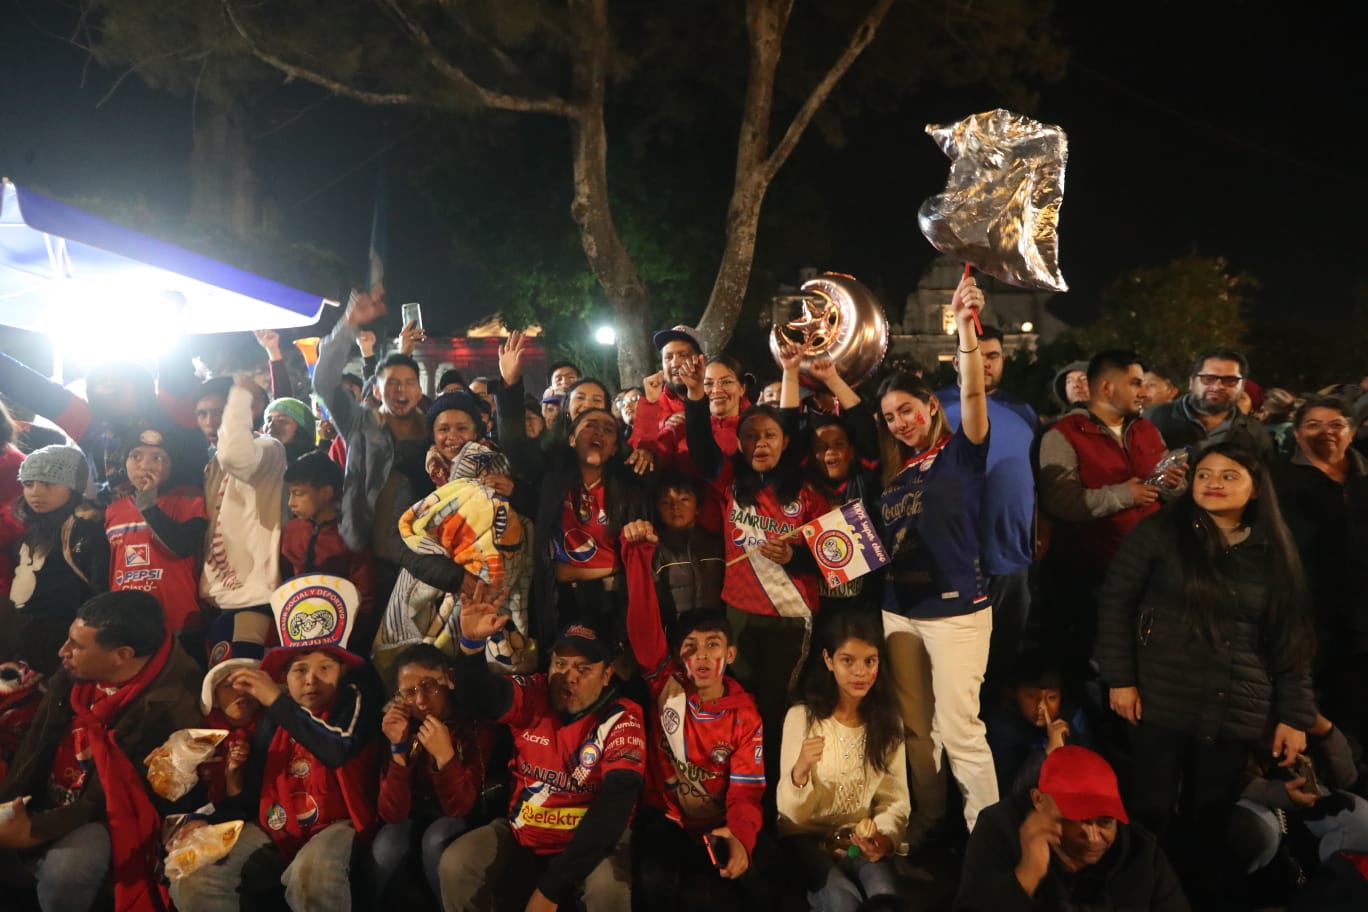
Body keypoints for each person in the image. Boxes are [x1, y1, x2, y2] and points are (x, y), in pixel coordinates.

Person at [1095, 443, 1316, 899]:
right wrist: (1121, 678)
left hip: (1235, 706)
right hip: (1160, 698)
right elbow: (1116, 604)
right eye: (1204, 474)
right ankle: (1139, 897)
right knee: (1149, 809)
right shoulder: (1160, 533)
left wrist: (1294, 715)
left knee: (1209, 819)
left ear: (1256, 489)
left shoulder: (1273, 549)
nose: (1213, 483)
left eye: (1229, 475)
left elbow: (1290, 641)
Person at [168, 575, 383, 912]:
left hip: (338, 825)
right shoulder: (273, 719)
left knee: (313, 875)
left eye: (325, 667)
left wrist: (276, 701)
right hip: (275, 825)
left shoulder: (354, 700)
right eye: (300, 670)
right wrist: (207, 820)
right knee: (194, 872)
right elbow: (252, 797)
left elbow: (338, 749)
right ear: (285, 678)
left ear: (342, 672)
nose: (311, 679)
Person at [875, 273, 997, 837]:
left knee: (961, 728)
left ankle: (986, 840)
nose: (900, 423)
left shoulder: (962, 452)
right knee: (916, 729)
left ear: (929, 405)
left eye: (907, 410)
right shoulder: (895, 477)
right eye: (890, 418)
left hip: (956, 612)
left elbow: (972, 391)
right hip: (900, 609)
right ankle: (931, 820)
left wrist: (965, 329)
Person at [438, 598, 646, 912]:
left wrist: (550, 891)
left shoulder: (622, 716)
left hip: (588, 844)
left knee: (608, 888)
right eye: (560, 664)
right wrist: (470, 647)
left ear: (607, 675)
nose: (569, 676)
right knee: (457, 862)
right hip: (521, 832)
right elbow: (481, 699)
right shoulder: (535, 693)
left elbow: (617, 803)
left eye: (584, 668)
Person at [0, 590, 202, 912]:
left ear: (122, 655)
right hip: (45, 797)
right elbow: (35, 745)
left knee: (68, 870)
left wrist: (33, 831)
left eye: (77, 646)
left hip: (104, 816)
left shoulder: (173, 706)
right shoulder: (78, 672)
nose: (63, 651)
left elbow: (119, 797)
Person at [682, 357, 825, 779]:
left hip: (790, 619)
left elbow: (838, 558)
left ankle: (778, 789)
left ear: (785, 441)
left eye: (769, 435)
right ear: (739, 444)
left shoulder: (809, 493)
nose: (760, 444)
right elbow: (701, 447)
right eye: (750, 437)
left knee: (777, 705)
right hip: (739, 616)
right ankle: (740, 780)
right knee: (741, 702)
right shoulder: (729, 482)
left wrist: (796, 557)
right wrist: (694, 396)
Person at [620, 524, 773, 910]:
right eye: (691, 647)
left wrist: (739, 836)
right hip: (667, 823)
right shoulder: (666, 686)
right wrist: (637, 558)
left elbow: (746, 791)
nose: (702, 655)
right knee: (653, 881)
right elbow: (642, 629)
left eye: (713, 645)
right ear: (677, 657)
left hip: (721, 823)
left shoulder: (745, 717)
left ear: (730, 655)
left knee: (762, 883)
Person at [1035, 350, 1173, 673]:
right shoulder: (1062, 435)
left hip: (1149, 573)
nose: (1145, 392)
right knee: (1094, 668)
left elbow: (1166, 490)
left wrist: (1175, 482)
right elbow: (1061, 501)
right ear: (1107, 388)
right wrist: (1125, 494)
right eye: (1136, 383)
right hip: (1090, 577)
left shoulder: (1146, 431)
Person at [777, 610, 909, 912]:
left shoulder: (888, 723)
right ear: (828, 661)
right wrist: (800, 772)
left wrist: (883, 839)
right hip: (806, 839)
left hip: (856, 841)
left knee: (885, 899)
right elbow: (791, 814)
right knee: (842, 901)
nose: (860, 672)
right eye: (848, 660)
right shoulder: (803, 718)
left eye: (869, 661)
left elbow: (895, 800)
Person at [955, 746, 1189, 911]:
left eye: (1105, 822)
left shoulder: (1141, 852)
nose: (1094, 837)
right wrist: (1026, 876)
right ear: (1039, 800)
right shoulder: (1000, 831)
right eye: (1079, 820)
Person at [937, 324, 1038, 690]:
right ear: (957, 361)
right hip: (960, 562)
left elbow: (1033, 478)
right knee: (959, 671)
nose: (985, 364)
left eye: (993, 356)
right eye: (976, 356)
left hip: (1013, 559)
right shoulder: (935, 407)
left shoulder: (1023, 410)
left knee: (1005, 664)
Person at [1273, 396, 1368, 743]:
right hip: (1307, 612)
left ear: (1352, 432)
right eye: (1313, 424)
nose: (1326, 432)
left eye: (1336, 424)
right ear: (1296, 434)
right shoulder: (1278, 480)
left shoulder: (1364, 476)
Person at [373, 643, 497, 903]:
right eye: (409, 692)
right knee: (387, 843)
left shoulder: (472, 726)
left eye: (429, 686)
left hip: (463, 818)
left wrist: (445, 756)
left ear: (449, 680)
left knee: (437, 838)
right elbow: (392, 813)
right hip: (415, 815)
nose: (420, 700)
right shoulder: (400, 725)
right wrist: (397, 749)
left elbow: (461, 808)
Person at [198, 375, 288, 658]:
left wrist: (240, 396)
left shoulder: (269, 449)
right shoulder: (212, 465)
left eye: (220, 411)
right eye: (202, 413)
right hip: (217, 600)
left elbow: (235, 454)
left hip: (254, 599)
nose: (211, 421)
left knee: (243, 687)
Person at [2, 446, 108, 676]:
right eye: (29, 484)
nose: (35, 493)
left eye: (48, 484)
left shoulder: (84, 528)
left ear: (72, 487)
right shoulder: (30, 526)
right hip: (24, 633)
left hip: (60, 636)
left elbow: (99, 587)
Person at [105, 425, 208, 639]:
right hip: (126, 622)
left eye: (158, 458)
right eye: (136, 456)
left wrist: (148, 506)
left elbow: (181, 546)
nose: (145, 466)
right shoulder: (113, 510)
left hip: (179, 620)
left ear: (173, 466)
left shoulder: (190, 502)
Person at [281, 452, 376, 639]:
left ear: (326, 492)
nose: (291, 503)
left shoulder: (350, 535)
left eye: (298, 493)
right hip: (296, 622)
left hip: (341, 628)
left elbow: (364, 594)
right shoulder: (292, 529)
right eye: (289, 494)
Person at [983, 650, 1095, 800]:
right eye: (1030, 696)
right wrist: (1048, 752)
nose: (1042, 706)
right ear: (1013, 694)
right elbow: (1010, 795)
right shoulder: (1001, 728)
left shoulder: (1073, 719)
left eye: (1051, 697)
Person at [1144, 347, 1273, 460]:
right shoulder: (1152, 418)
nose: (1217, 387)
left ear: (1242, 386)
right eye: (1208, 379)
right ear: (1191, 382)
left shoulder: (1255, 433)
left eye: (1230, 380)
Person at [649, 472, 724, 624]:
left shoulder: (716, 545)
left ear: (698, 507)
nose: (675, 507)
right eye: (665, 501)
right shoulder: (654, 549)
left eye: (684, 500)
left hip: (714, 628)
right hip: (674, 632)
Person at [630, 324, 706, 453]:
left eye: (683, 355)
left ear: (701, 360)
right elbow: (639, 454)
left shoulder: (719, 395)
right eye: (668, 357)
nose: (675, 363)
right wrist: (662, 423)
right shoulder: (652, 404)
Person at [264, 397, 319, 465]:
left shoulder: (316, 463)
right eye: (268, 420)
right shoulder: (262, 463)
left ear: (301, 429)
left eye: (281, 420)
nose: (270, 425)